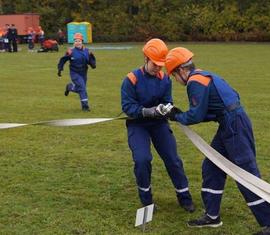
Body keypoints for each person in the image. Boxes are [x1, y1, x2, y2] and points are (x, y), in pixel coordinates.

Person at [163, 47, 270, 235]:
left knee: (246, 175)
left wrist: (177, 116)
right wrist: (181, 115)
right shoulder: (205, 75)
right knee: (211, 166)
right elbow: (215, 107)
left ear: (180, 70)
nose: (175, 80)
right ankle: (212, 216)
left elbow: (196, 115)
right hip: (230, 122)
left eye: (173, 75)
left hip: (233, 125)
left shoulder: (194, 82)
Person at [120, 39, 195, 212]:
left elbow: (167, 100)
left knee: (173, 159)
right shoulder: (131, 80)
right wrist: (147, 111)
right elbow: (128, 107)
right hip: (138, 125)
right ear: (146, 58)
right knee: (142, 159)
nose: (158, 68)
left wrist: (165, 108)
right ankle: (146, 200)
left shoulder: (165, 79)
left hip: (159, 124)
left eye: (161, 65)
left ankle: (184, 197)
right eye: (155, 64)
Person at [57, 33, 96, 111]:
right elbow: (63, 60)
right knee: (82, 89)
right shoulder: (70, 51)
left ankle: (70, 87)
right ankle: (85, 107)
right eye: (76, 41)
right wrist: (60, 68)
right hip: (74, 73)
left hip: (84, 73)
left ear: (82, 41)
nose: (77, 42)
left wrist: (92, 63)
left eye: (79, 41)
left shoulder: (87, 51)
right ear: (74, 42)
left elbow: (91, 61)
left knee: (81, 89)